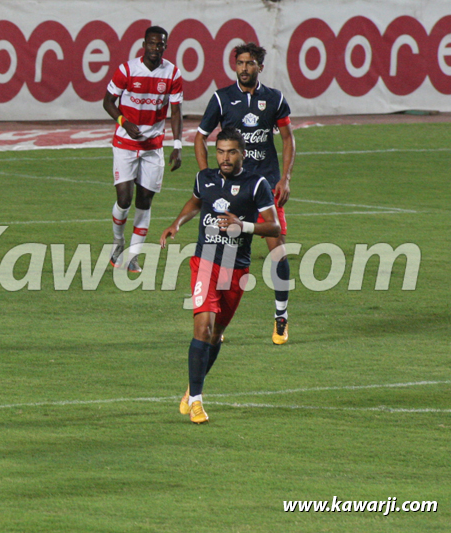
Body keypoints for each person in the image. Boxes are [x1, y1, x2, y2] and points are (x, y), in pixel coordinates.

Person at [161, 128, 279, 424]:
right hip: (205, 261)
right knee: (202, 327)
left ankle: (193, 387)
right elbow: (196, 201)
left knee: (215, 335)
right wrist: (177, 223)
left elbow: (274, 227)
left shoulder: (257, 185)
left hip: (236, 267)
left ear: (243, 154)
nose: (225, 158)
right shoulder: (206, 178)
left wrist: (244, 226)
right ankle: (198, 402)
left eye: (231, 152)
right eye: (220, 152)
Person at [193, 42, 295, 344]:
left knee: (277, 249)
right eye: (240, 63)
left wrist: (285, 178)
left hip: (264, 187)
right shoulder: (222, 99)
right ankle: (218, 323)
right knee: (221, 253)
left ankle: (281, 315)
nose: (244, 68)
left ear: (260, 67)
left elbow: (288, 138)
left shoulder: (274, 99)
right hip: (231, 192)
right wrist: (207, 177)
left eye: (250, 63)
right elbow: (200, 138)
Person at [102, 25, 183, 273]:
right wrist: (124, 123)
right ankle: (118, 244)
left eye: (160, 44)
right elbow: (107, 101)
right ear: (143, 44)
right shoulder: (127, 70)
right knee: (124, 200)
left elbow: (176, 111)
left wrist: (177, 144)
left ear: (165, 47)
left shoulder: (172, 74)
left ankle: (133, 256)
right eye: (152, 43)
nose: (155, 48)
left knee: (145, 201)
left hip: (152, 147)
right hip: (125, 144)